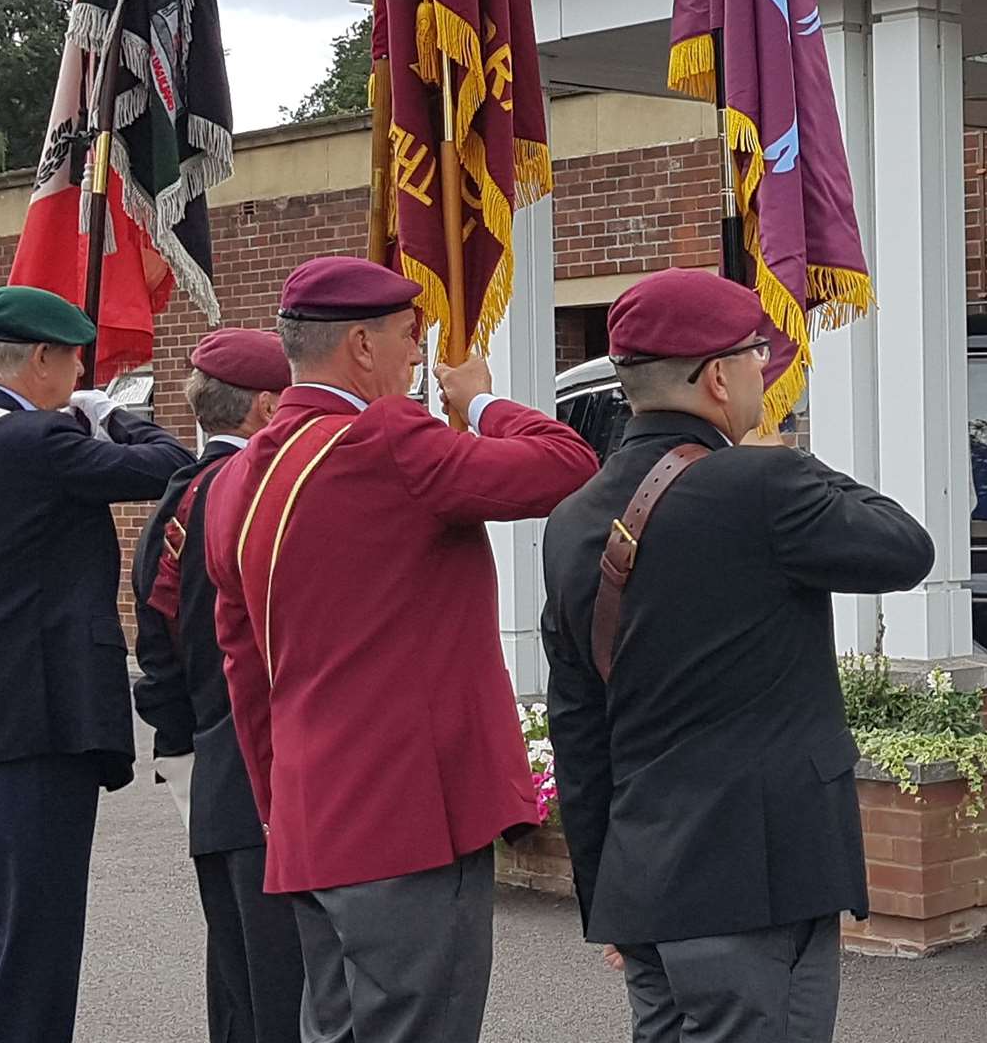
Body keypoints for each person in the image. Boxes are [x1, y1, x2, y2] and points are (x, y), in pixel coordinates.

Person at [200, 256, 598, 1043]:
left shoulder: (235, 481)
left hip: (312, 820)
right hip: (410, 819)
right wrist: (481, 399)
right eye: (408, 338)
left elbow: (246, 672)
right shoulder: (384, 437)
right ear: (360, 346)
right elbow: (567, 465)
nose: (418, 355)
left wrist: (283, 805)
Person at [541, 269, 936, 1043]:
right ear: (719, 377)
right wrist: (780, 459)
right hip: (761, 886)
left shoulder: (574, 518)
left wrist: (608, 900)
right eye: (757, 354)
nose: (766, 371)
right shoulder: (766, 484)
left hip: (646, 881)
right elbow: (905, 547)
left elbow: (578, 727)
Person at [0, 285, 193, 1043]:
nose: (78, 370)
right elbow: (169, 464)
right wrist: (110, 413)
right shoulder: (29, 441)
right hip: (28, 725)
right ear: (41, 359)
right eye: (72, 358)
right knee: (32, 958)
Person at [131, 329, 303, 1043]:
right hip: (276, 775)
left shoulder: (171, 506)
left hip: (213, 775)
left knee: (237, 998)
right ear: (266, 409)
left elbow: (155, 656)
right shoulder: (262, 492)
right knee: (288, 1002)